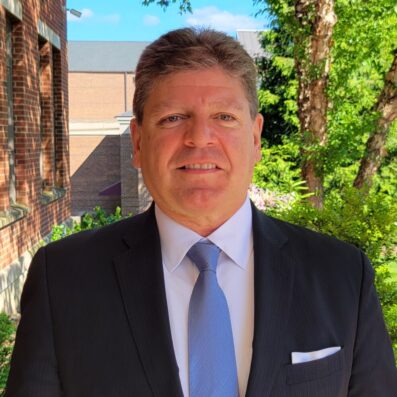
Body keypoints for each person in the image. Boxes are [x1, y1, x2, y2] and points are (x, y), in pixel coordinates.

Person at [5, 28, 397, 397]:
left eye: (224, 117)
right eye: (173, 118)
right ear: (138, 143)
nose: (199, 138)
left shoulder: (343, 276)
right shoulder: (62, 278)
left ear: (256, 138)